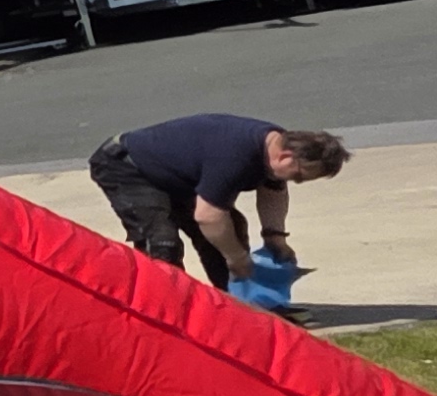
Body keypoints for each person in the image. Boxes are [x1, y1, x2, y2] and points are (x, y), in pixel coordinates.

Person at [87, 114, 349, 290]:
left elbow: (273, 190)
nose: (297, 182)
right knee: (162, 241)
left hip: (175, 175)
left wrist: (275, 237)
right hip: (126, 166)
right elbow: (208, 215)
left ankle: (231, 304)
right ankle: (164, 312)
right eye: (299, 176)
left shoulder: (274, 147)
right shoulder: (237, 155)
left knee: (229, 229)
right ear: (286, 156)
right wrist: (236, 257)